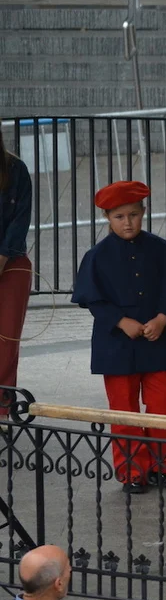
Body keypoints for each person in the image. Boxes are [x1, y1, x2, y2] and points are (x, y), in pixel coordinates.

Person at [71, 181, 166, 495]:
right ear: (107, 217)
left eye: (133, 214)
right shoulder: (96, 256)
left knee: (164, 406)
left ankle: (162, 467)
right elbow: (92, 299)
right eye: (119, 216)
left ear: (143, 212)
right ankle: (132, 471)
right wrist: (121, 321)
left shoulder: (162, 250)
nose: (128, 222)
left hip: (158, 341)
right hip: (116, 345)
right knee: (123, 410)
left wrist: (163, 318)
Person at [0, 129, 31, 420]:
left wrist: (2, 256)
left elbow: (21, 219)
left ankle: (2, 409)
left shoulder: (16, 169)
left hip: (12, 262)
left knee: (6, 341)